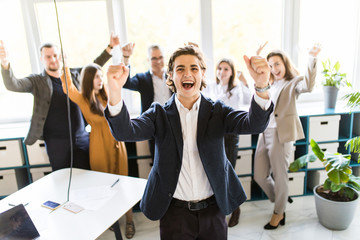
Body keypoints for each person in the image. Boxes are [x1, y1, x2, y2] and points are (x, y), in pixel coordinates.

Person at [104, 44, 274, 239]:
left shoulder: (217, 111)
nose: (187, 74)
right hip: (174, 214)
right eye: (180, 69)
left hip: (213, 211)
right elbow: (125, 131)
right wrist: (115, 92)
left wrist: (261, 86)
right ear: (170, 76)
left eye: (194, 68)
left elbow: (254, 124)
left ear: (203, 73)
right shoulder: (158, 114)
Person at [0, 34, 119, 171]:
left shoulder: (73, 74)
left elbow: (94, 66)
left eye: (55, 55)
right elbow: (13, 85)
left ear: (60, 56)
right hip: (56, 143)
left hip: (81, 138)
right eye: (48, 57)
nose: (53, 60)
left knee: (88, 178)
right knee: (62, 179)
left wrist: (110, 47)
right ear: (41, 59)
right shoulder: (37, 81)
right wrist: (5, 63)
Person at [60, 64, 135, 238]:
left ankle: (129, 220)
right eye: (96, 77)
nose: (101, 80)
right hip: (99, 146)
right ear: (88, 80)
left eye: (101, 76)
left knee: (123, 183)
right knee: (103, 186)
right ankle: (112, 221)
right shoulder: (83, 99)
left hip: (117, 144)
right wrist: (65, 64)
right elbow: (68, 87)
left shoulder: (108, 94)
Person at [253, 43, 321, 230]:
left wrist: (312, 58)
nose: (274, 69)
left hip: (281, 134)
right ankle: (280, 198)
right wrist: (256, 57)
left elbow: (308, 85)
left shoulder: (294, 82)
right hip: (264, 131)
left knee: (280, 175)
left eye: (277, 64)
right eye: (271, 65)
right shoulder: (268, 83)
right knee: (259, 175)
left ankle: (279, 212)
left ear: (285, 64)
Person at [202, 58, 252, 227]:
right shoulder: (211, 87)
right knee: (214, 173)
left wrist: (245, 81)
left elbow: (250, 98)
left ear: (232, 72)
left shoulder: (236, 89)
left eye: (226, 69)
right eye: (220, 69)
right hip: (214, 136)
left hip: (230, 136)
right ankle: (219, 209)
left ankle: (235, 209)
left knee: (228, 173)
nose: (221, 72)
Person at [121, 43, 173, 163]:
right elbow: (126, 82)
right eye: (154, 58)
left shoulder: (173, 76)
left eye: (160, 57)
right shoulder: (142, 78)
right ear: (148, 60)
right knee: (158, 161)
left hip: (174, 122)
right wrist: (126, 58)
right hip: (154, 126)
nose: (158, 61)